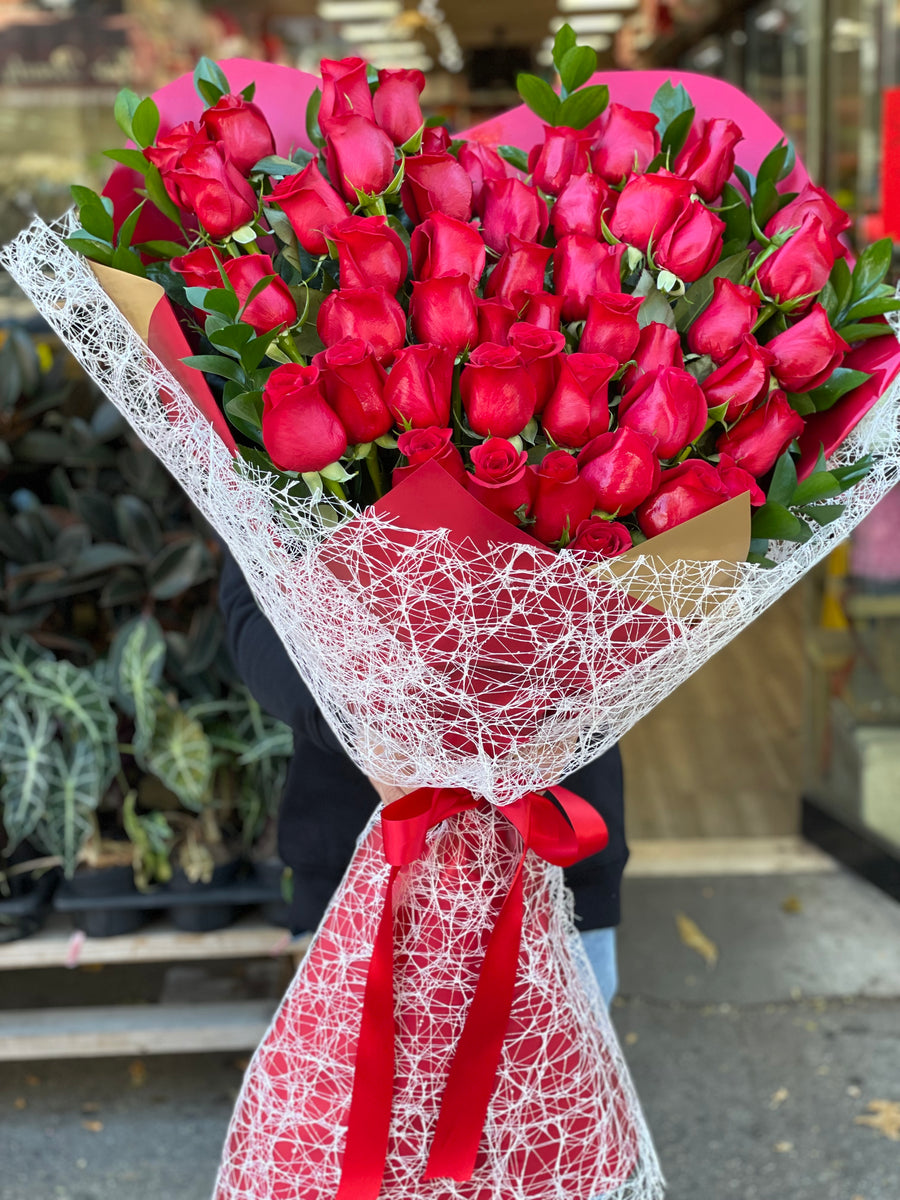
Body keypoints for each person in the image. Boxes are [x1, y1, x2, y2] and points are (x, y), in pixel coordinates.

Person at [218, 547, 627, 1007]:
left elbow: (645, 609)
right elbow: (253, 607)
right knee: (363, 1059)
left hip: (552, 852)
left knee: (556, 1058)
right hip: (360, 850)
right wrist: (355, 725)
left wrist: (576, 715)